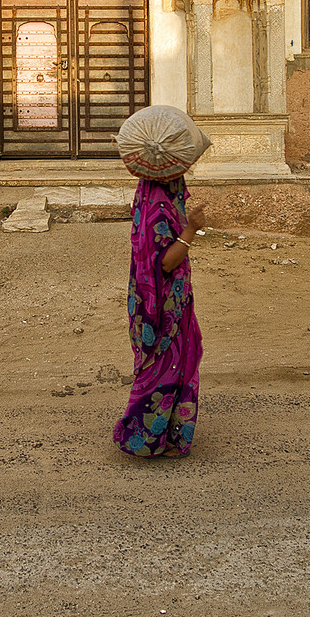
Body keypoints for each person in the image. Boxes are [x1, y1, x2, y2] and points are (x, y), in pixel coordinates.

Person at [113, 174, 205, 458]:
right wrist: (191, 230)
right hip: (162, 305)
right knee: (166, 366)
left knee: (172, 364)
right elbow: (165, 262)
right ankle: (148, 437)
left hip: (158, 299)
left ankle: (169, 433)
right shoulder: (160, 205)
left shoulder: (149, 194)